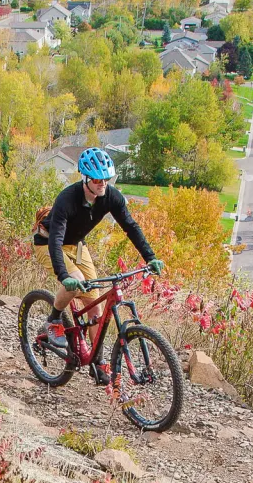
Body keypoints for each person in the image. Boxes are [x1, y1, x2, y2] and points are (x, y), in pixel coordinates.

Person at [41, 147, 162, 346]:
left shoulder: (110, 197)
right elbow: (55, 240)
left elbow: (130, 226)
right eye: (97, 180)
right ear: (85, 179)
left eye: (106, 179)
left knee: (94, 305)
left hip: (77, 245)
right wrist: (64, 275)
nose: (103, 184)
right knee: (75, 280)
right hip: (48, 242)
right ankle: (53, 319)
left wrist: (150, 257)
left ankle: (97, 363)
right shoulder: (66, 199)